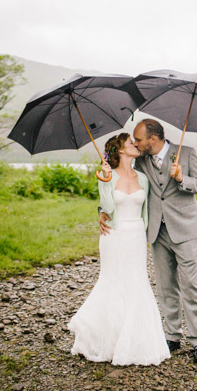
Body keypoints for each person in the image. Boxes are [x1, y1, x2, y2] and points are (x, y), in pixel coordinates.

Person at [99, 119, 197, 364]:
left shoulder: (188, 154)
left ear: (153, 138)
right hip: (156, 232)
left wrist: (183, 179)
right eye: (134, 141)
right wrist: (102, 209)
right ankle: (172, 335)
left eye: (139, 139)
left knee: (191, 284)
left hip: (185, 230)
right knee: (165, 286)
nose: (136, 144)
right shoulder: (140, 160)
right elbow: (120, 179)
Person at [69, 133, 170, 366]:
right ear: (121, 150)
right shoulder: (108, 175)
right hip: (113, 235)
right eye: (130, 143)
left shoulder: (142, 178)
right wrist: (104, 183)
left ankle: (135, 341)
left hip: (136, 236)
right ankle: (108, 340)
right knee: (113, 281)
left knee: (136, 282)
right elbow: (108, 207)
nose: (135, 145)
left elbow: (147, 209)